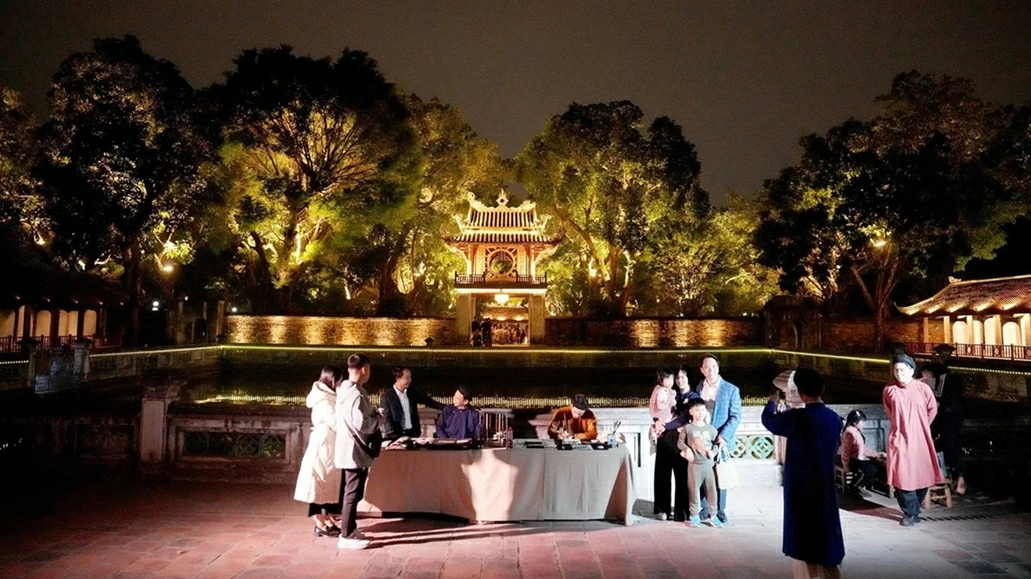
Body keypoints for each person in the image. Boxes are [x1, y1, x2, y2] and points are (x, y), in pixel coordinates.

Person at [761, 368, 845, 579]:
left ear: (799, 392)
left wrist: (772, 401)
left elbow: (770, 421)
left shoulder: (800, 417)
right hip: (825, 483)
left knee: (804, 539)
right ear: (822, 388)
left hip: (802, 484)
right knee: (826, 535)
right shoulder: (834, 419)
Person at [656, 353, 740, 523]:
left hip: (718, 439)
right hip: (699, 438)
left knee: (718, 477)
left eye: (713, 367)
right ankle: (703, 509)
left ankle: (719, 511)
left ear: (718, 368)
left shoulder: (731, 389)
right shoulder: (699, 387)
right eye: (707, 368)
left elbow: (735, 416)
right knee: (701, 476)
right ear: (702, 370)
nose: (710, 370)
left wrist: (723, 436)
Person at [883, 353, 942, 527]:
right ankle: (910, 512)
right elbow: (890, 412)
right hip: (900, 436)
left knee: (922, 474)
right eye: (896, 370)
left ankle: (913, 510)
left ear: (911, 370)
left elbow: (932, 409)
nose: (899, 373)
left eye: (902, 370)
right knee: (902, 476)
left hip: (920, 437)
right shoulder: (889, 390)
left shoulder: (923, 389)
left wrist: (922, 425)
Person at [334, 353, 383, 550]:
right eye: (368, 369)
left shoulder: (346, 390)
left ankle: (350, 529)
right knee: (352, 494)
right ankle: (345, 535)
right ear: (363, 369)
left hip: (350, 449)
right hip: (354, 451)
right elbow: (361, 423)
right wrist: (379, 420)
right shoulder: (354, 394)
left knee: (353, 492)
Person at [293, 365, 344, 537]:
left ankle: (327, 518)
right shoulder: (323, 400)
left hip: (329, 445)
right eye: (339, 380)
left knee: (327, 484)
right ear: (333, 380)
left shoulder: (328, 397)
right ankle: (320, 523)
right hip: (324, 445)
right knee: (319, 484)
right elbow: (336, 422)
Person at [921, 362, 967, 495]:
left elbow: (940, 394)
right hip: (953, 419)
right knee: (952, 449)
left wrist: (925, 387)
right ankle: (956, 479)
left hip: (948, 419)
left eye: (925, 373)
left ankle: (956, 479)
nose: (925, 376)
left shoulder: (944, 378)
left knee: (948, 448)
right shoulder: (952, 378)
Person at [678, 398, 722, 528]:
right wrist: (687, 450)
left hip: (708, 465)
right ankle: (694, 515)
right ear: (691, 411)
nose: (700, 413)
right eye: (697, 410)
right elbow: (680, 442)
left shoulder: (711, 429)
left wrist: (713, 451)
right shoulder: (688, 428)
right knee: (693, 490)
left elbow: (717, 443)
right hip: (694, 465)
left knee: (711, 490)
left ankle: (713, 515)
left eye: (703, 410)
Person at [650, 368, 685, 521]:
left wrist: (663, 424)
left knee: (681, 474)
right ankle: (662, 508)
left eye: (682, 377)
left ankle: (681, 511)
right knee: (662, 473)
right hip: (665, 434)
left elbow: (685, 416)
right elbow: (657, 409)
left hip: (679, 434)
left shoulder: (692, 396)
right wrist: (657, 422)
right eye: (677, 378)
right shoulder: (663, 391)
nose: (678, 381)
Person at [380, 366, 444, 439]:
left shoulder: (412, 392)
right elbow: (386, 418)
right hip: (395, 437)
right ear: (398, 378)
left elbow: (429, 402)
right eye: (407, 378)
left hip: (413, 435)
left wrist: (447, 408)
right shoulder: (387, 397)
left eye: (410, 377)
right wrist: (392, 435)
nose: (410, 380)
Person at [839, 409, 886, 496]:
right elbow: (845, 451)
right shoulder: (849, 433)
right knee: (870, 470)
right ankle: (854, 486)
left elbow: (861, 448)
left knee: (877, 466)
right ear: (855, 422)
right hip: (850, 459)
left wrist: (876, 454)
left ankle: (859, 486)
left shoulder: (856, 432)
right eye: (862, 422)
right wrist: (846, 465)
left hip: (856, 457)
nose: (863, 424)